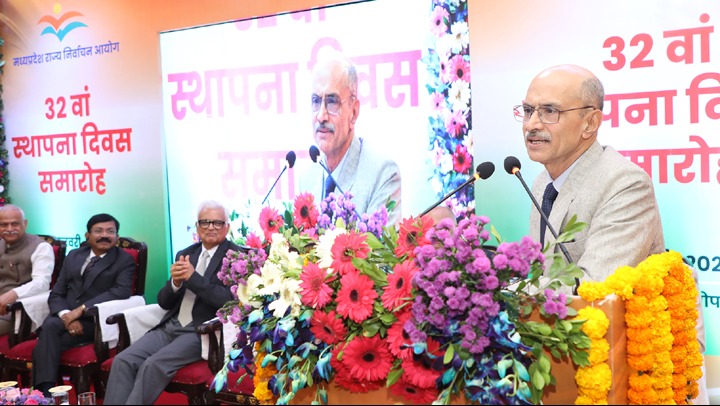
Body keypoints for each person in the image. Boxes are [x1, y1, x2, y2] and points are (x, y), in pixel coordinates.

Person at [517, 64, 665, 283]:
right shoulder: (542, 182)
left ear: (590, 123)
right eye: (528, 111)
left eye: (550, 111)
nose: (532, 124)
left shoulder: (625, 184)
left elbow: (594, 286)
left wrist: (506, 294)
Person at [104, 200, 245, 404]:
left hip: (202, 331)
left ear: (227, 227)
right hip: (171, 325)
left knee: (152, 365)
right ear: (197, 226)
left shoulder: (238, 257)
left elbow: (227, 301)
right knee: (123, 360)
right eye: (205, 222)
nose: (211, 227)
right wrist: (175, 283)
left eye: (217, 222)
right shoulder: (186, 254)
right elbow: (164, 302)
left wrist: (193, 278)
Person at [32, 213, 135, 396]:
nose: (105, 235)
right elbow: (57, 292)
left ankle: (43, 394)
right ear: (87, 235)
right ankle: (46, 393)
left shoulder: (123, 259)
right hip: (66, 318)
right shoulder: (74, 255)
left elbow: (121, 291)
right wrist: (67, 316)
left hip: (96, 321)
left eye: (110, 231)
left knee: (47, 338)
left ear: (117, 236)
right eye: (98, 231)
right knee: (51, 328)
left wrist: (81, 311)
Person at [305, 50, 402, 224]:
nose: (321, 116)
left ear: (354, 112)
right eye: (316, 101)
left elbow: (381, 242)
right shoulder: (306, 177)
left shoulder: (382, 174)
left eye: (332, 102)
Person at [0, 204, 54, 335]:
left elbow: (42, 283)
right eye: (4, 225)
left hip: (17, 309)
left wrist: (11, 295)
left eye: (15, 224)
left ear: (25, 224)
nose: (9, 229)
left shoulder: (41, 247)